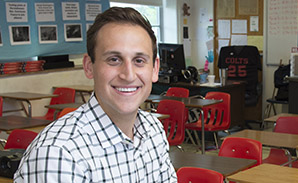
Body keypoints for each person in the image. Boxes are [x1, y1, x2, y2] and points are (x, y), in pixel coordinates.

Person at [13, 7, 177, 182]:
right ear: (89, 66)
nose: (128, 75)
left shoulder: (153, 130)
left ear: (155, 69)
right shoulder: (59, 154)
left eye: (139, 61)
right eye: (114, 59)